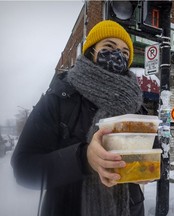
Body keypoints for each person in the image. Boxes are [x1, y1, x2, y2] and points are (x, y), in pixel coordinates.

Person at [11, 20, 146, 216]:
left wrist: (145, 165)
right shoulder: (60, 98)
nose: (118, 56)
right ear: (91, 51)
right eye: (109, 47)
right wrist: (83, 158)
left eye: (125, 53)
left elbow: (153, 151)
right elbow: (24, 168)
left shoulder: (135, 105)